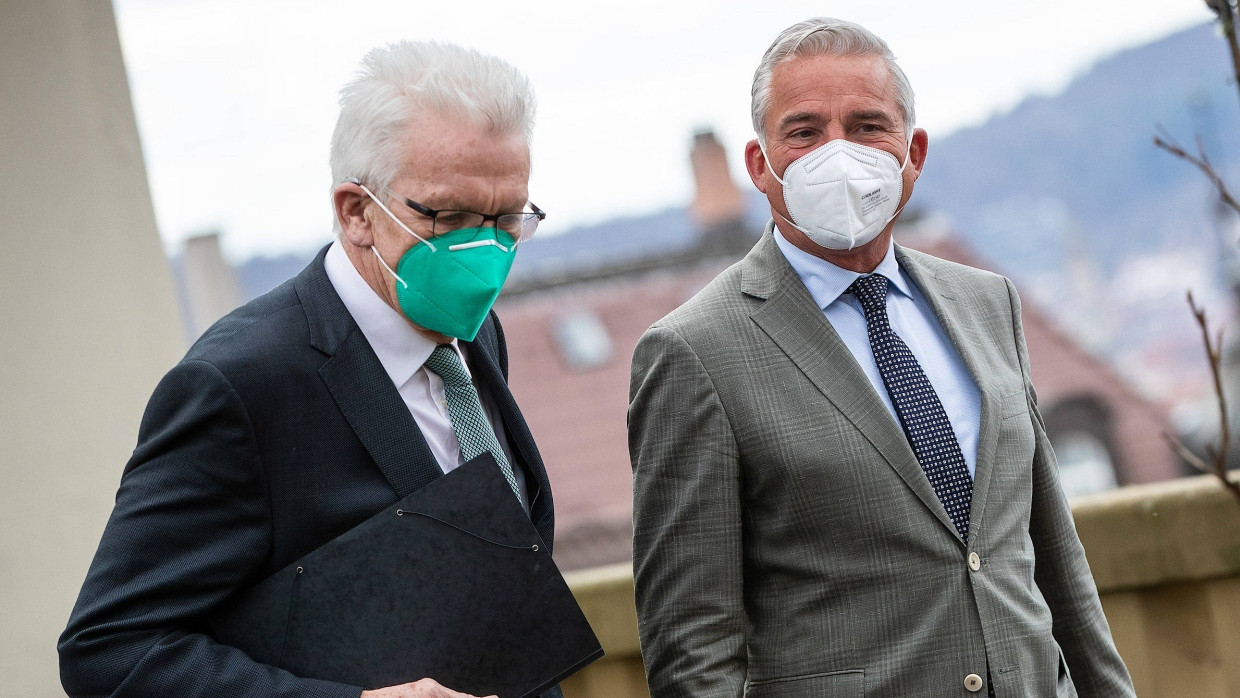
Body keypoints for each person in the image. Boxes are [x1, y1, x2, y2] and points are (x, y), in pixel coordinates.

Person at [628, 17, 1135, 697]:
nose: (837, 153)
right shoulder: (695, 353)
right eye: (805, 132)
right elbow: (692, 649)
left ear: (912, 152)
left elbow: (1052, 556)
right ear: (760, 164)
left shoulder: (987, 303)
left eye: (867, 126)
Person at [59, 41, 559, 698]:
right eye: (451, 216)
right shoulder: (238, 386)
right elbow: (108, 651)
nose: (485, 251)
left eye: (507, 218)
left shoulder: (477, 334)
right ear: (356, 212)